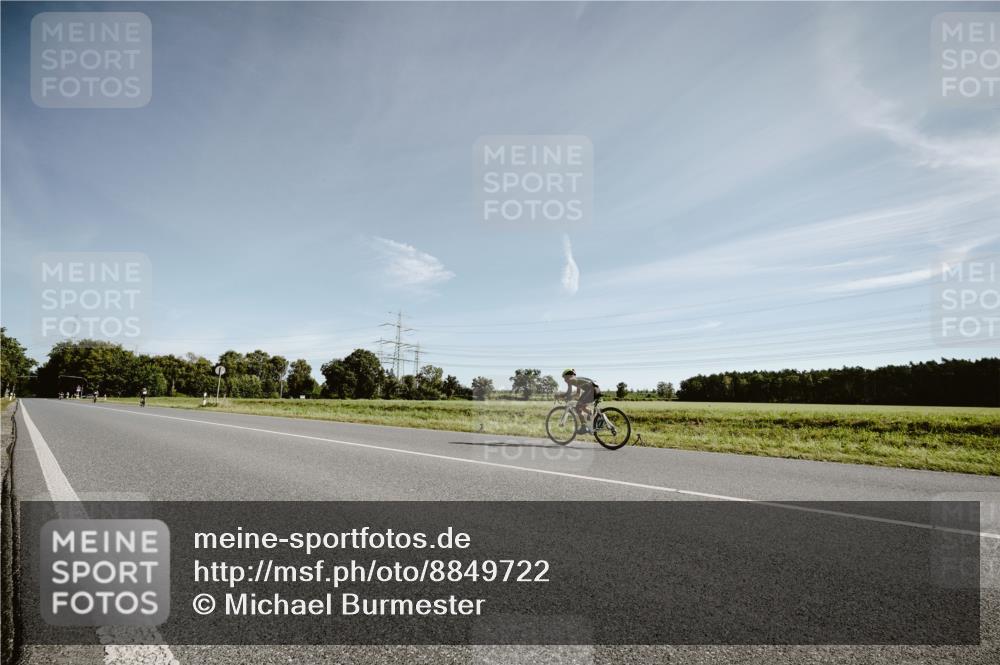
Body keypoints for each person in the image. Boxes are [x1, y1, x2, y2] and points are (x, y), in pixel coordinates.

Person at [561, 369, 600, 434]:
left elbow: (569, 392)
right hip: (596, 389)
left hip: (591, 390)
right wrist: (571, 398)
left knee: (578, 407)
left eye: (564, 378)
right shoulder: (577, 380)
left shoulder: (571, 380)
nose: (564, 380)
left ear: (568, 376)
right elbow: (578, 394)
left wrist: (561, 396)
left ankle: (584, 427)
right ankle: (591, 414)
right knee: (582, 406)